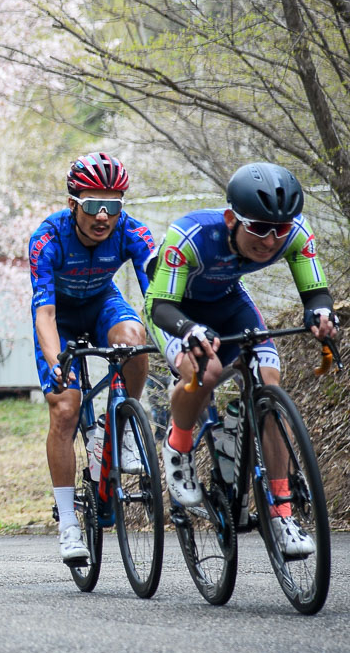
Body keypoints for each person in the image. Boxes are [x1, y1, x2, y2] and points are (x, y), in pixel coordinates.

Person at [145, 162, 338, 557]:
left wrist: (320, 314)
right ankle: (178, 446)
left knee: (269, 387)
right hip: (174, 309)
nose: (270, 241)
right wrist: (189, 330)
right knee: (207, 370)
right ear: (232, 218)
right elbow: (161, 304)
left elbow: (316, 292)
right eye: (260, 228)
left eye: (280, 229)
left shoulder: (295, 234)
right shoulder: (191, 235)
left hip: (229, 302)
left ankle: (282, 512)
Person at [28, 153, 156, 563]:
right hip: (60, 317)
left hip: (102, 303)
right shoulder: (47, 239)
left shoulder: (134, 232)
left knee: (134, 340)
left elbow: (157, 297)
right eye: (92, 206)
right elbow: (44, 313)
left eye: (113, 206)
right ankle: (68, 524)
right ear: (72, 205)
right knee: (65, 409)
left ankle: (116, 427)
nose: (103, 216)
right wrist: (56, 363)